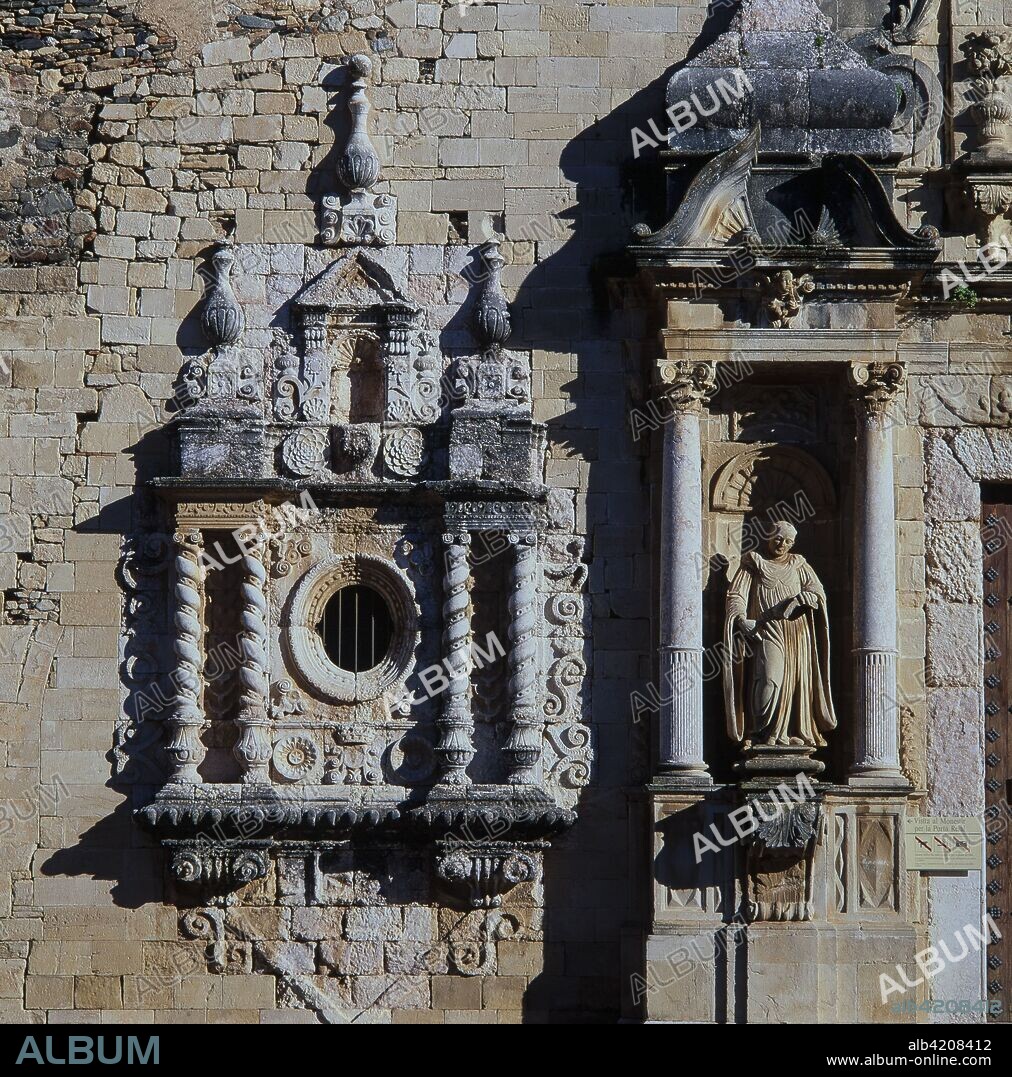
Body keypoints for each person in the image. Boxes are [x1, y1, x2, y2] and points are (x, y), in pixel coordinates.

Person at [722, 521, 837, 748]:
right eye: (778, 538)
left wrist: (808, 598)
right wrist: (742, 619)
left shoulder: (799, 564)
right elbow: (736, 595)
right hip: (765, 630)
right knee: (769, 679)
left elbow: (817, 592)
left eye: (788, 541)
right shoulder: (754, 563)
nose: (782, 544)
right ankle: (760, 733)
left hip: (796, 632)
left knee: (793, 683)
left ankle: (786, 733)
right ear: (768, 535)